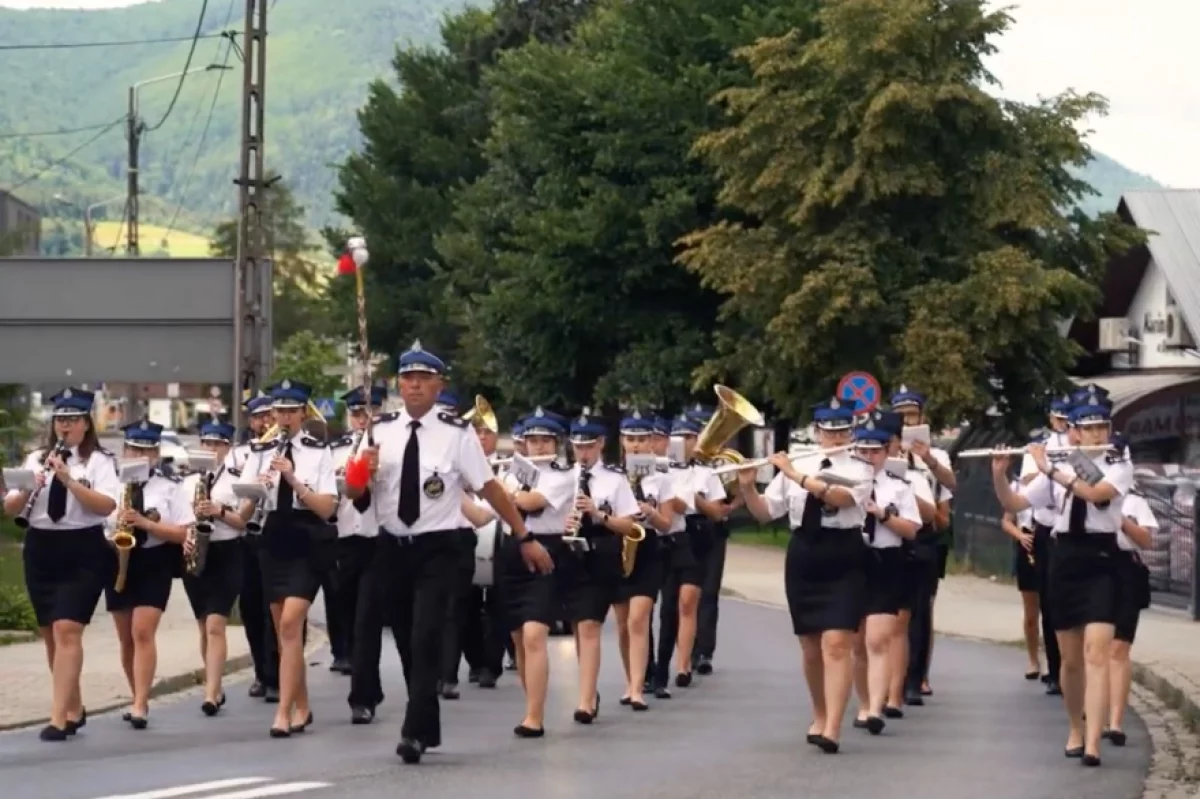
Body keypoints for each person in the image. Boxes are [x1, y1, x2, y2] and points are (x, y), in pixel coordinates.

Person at [344, 340, 550, 764]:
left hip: (441, 549)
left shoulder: (457, 435)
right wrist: (363, 468)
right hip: (392, 547)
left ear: (440, 384)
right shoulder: (377, 432)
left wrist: (522, 533)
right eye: (407, 378)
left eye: (423, 378)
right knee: (404, 639)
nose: (414, 385)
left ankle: (412, 733)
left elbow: (490, 487)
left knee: (425, 636)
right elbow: (354, 494)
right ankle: (426, 721)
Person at [992, 390, 1133, 767]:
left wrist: (1053, 469)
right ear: (1073, 433)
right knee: (1071, 662)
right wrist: (1000, 475)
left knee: (1097, 652)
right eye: (1088, 429)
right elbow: (1016, 505)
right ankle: (1075, 726)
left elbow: (1096, 492)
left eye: (1102, 427)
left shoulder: (1118, 463)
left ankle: (1093, 742)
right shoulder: (1055, 467)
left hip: (1103, 559)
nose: (1097, 435)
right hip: (1064, 559)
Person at [737, 397, 873, 754]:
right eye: (828, 430)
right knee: (811, 645)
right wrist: (748, 487)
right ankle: (819, 711)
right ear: (817, 432)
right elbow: (766, 513)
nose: (834, 436)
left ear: (850, 431)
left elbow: (842, 499)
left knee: (837, 643)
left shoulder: (860, 467)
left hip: (844, 552)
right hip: (805, 554)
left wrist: (795, 474)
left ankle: (833, 728)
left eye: (841, 430)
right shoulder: (798, 462)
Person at [2, 388, 119, 741]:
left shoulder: (98, 461)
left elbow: (106, 505)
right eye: (60, 420)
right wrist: (28, 488)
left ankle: (56, 718)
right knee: (51, 635)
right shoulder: (35, 458)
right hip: (41, 548)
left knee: (68, 628)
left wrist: (68, 478)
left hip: (83, 548)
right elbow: (9, 509)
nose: (65, 426)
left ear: (86, 424)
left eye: (73, 420)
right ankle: (73, 706)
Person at [236, 379, 339, 738]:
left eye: (291, 411)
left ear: (302, 414)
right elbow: (245, 510)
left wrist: (293, 479)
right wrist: (257, 489)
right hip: (273, 539)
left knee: (292, 623)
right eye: (278, 411)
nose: (283, 417)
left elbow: (327, 508)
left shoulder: (317, 451)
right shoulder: (259, 451)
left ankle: (282, 711)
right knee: (286, 635)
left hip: (307, 538)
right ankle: (303, 706)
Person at [105, 419, 193, 729]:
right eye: (134, 449)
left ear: (156, 454)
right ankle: (135, 694)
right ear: (125, 450)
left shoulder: (170, 486)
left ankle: (142, 703)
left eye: (147, 450)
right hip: (117, 559)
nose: (141, 455)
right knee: (126, 637)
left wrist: (147, 524)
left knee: (143, 631)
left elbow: (184, 533)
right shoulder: (111, 481)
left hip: (154, 560)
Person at [180, 420, 249, 716]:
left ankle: (210, 694)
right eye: (206, 443)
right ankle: (215, 685)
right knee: (202, 626)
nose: (211, 449)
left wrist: (219, 510)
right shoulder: (186, 481)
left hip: (227, 551)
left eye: (217, 444)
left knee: (216, 624)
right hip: (197, 550)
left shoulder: (236, 479)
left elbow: (243, 523)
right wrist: (185, 535)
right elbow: (179, 519)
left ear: (227, 447)